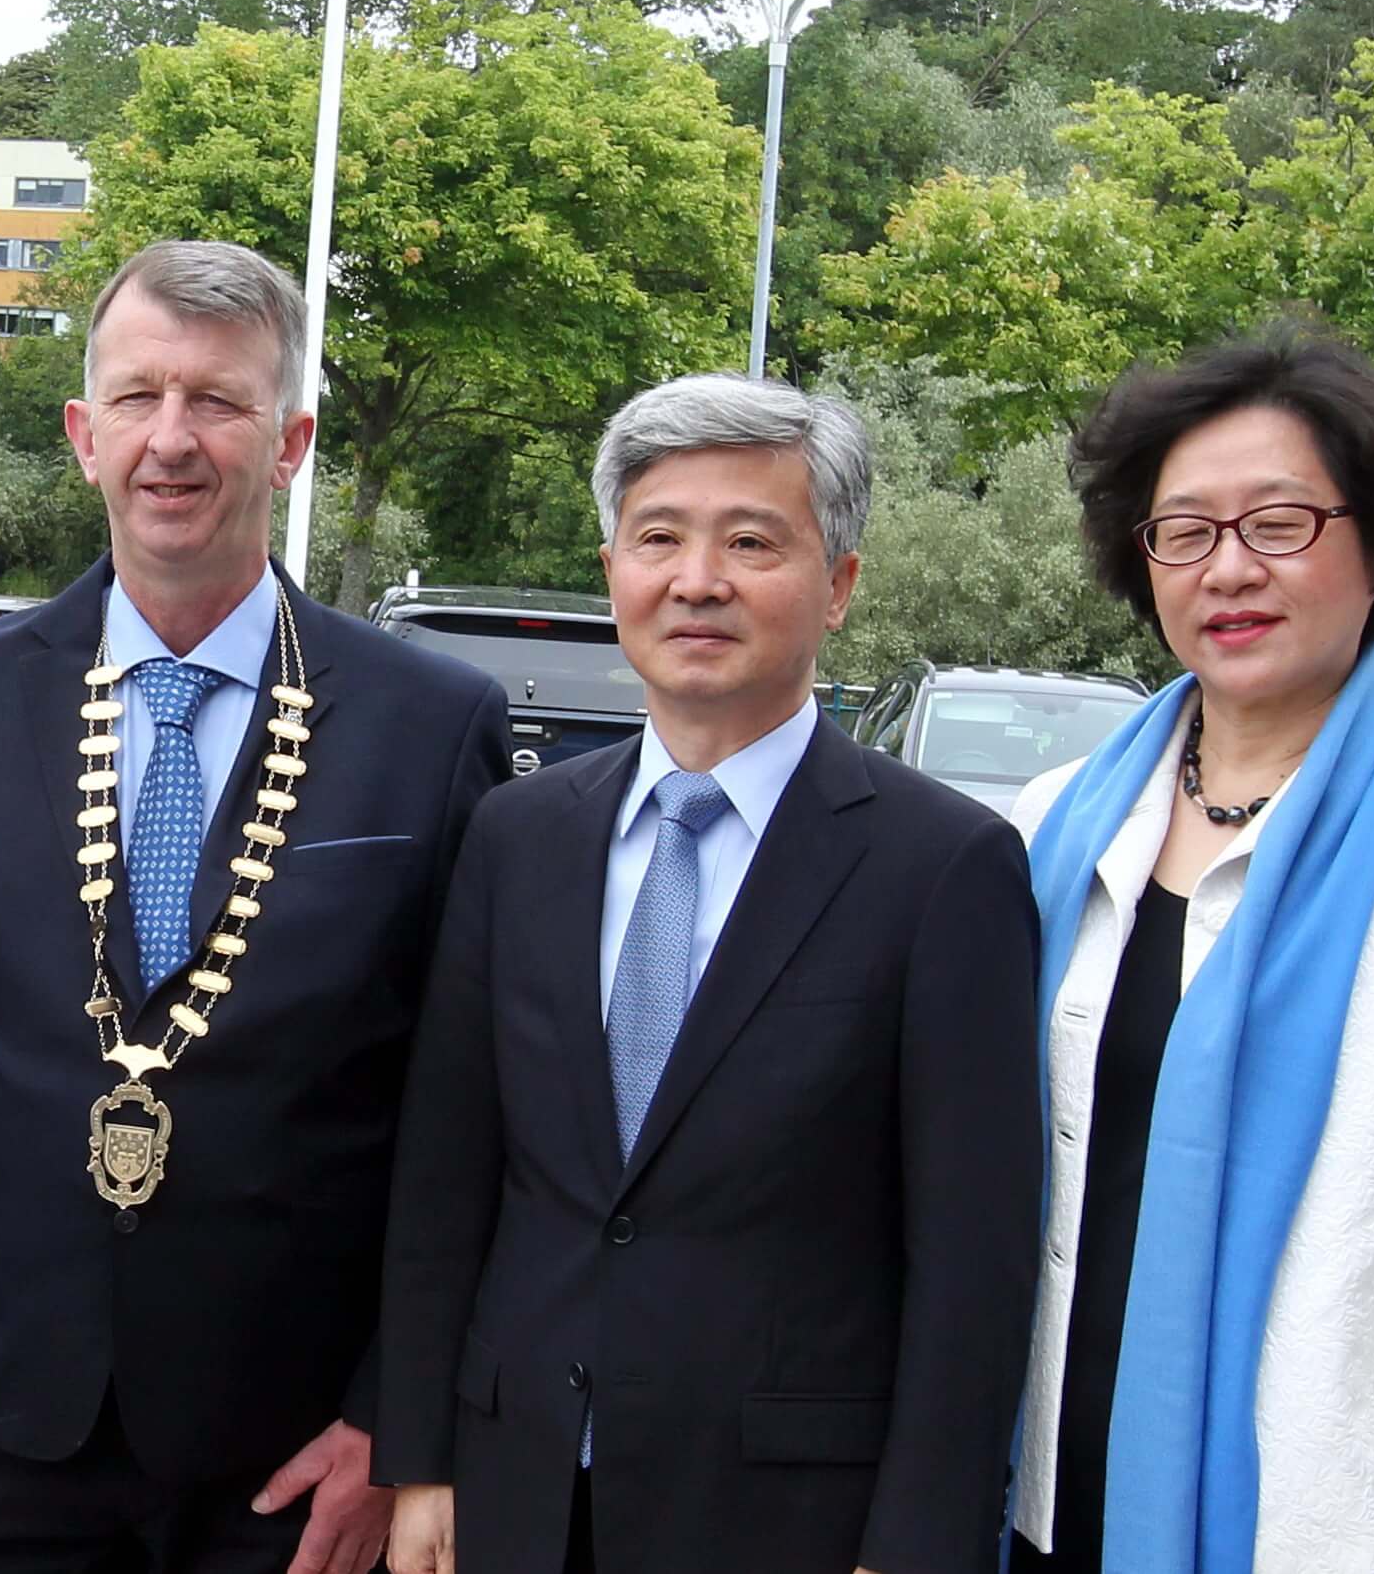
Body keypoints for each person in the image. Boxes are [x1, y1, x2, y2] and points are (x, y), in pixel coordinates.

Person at [0, 239, 514, 1574]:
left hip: (296, 1452)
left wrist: (396, 1415)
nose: (172, 441)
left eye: (219, 402)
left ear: (293, 439)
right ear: (84, 435)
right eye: (138, 398)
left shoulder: (427, 728)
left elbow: (460, 1114)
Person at [376, 374, 1044, 1574]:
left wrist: (916, 1541)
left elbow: (973, 1258)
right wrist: (420, 1456)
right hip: (513, 1486)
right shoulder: (519, 835)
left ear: (838, 583)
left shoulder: (943, 865)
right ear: (613, 566)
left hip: (787, 1517)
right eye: (659, 537)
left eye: (752, 540)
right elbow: (446, 1177)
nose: (699, 578)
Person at [1006, 327, 1374, 1574]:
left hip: (1310, 1511)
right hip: (1033, 1488)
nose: (1229, 568)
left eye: (1279, 523)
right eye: (1185, 530)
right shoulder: (1054, 819)